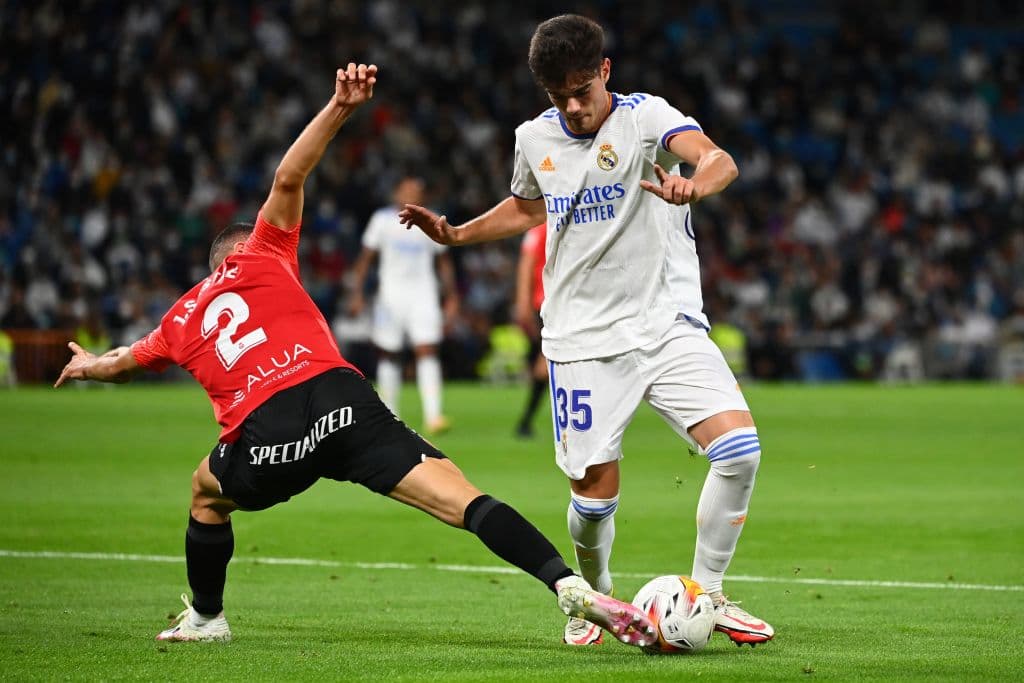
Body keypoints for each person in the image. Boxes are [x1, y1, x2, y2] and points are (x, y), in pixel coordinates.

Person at [53, 63, 655, 649]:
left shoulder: (180, 317)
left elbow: (125, 361)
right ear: (241, 250)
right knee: (464, 500)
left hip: (268, 434)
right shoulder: (264, 252)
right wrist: (339, 107)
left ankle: (207, 618)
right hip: (342, 402)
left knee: (206, 493)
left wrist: (88, 366)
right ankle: (567, 584)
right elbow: (289, 178)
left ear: (211, 266)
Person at [401, 15, 774, 647]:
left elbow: (719, 160)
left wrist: (693, 185)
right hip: (581, 340)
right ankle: (593, 601)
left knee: (739, 452)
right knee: (594, 496)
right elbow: (526, 205)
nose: (574, 107)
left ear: (605, 71)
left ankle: (707, 593)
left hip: (665, 323)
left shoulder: (645, 117)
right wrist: (458, 234)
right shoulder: (532, 138)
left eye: (582, 89)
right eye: (558, 96)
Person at [348, 176, 456, 435]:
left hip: (424, 294)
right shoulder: (382, 220)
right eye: (406, 190)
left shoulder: (430, 220)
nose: (410, 195)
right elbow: (365, 259)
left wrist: (452, 296)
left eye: (416, 191)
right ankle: (390, 415)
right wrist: (357, 293)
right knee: (389, 352)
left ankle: (433, 415)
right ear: (396, 192)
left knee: (427, 349)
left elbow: (443, 262)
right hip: (390, 295)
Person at [512, 223, 548, 438]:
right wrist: (523, 303)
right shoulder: (539, 229)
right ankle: (525, 422)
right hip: (545, 304)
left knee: (545, 364)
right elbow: (526, 265)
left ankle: (525, 422)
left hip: (559, 303)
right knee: (544, 366)